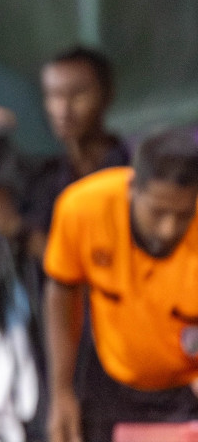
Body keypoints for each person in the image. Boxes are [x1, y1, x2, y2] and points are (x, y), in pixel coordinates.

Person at [43, 128, 198, 442]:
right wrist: (61, 392)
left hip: (188, 390)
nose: (169, 229)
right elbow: (62, 291)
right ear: (132, 189)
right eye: (157, 212)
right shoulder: (82, 208)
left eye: (183, 214)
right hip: (108, 383)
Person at [0, 46, 128, 263]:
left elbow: (97, 265)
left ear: (107, 94)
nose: (64, 109)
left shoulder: (128, 169)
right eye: (54, 96)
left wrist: (15, 228)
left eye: (78, 94)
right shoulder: (47, 176)